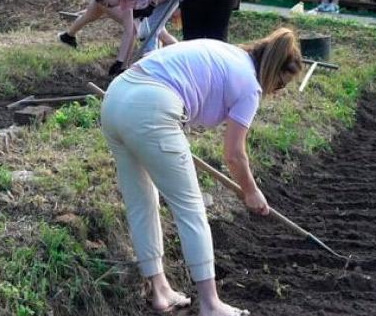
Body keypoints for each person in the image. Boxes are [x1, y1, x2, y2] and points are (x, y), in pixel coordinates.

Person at [100, 28, 303, 316]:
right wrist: (251, 191)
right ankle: (210, 303)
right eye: (280, 86)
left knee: (141, 202)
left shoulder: (225, 52)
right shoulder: (250, 86)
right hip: (151, 107)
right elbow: (234, 155)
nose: (274, 92)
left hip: (116, 99)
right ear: (273, 71)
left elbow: (184, 82)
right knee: (190, 208)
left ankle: (160, 291)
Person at [57, 0, 179, 75]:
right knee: (143, 30)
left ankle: (154, 73)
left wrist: (152, 4)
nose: (110, 8)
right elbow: (128, 30)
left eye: (108, 5)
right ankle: (68, 36)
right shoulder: (125, 1)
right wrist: (119, 62)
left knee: (150, 32)